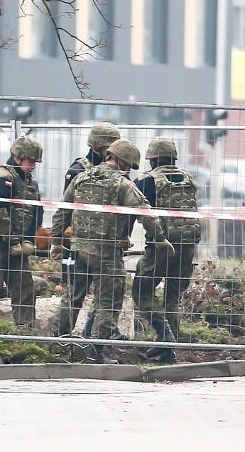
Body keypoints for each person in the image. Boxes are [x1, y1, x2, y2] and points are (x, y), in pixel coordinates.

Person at [50, 138, 174, 364]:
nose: (129, 171)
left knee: (72, 298)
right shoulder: (122, 185)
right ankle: (94, 353)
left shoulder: (81, 177)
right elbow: (144, 212)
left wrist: (56, 242)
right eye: (129, 166)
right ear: (122, 162)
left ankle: (58, 348)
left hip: (78, 249)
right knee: (109, 301)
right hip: (106, 253)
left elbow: (62, 211)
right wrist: (160, 239)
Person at [132, 137, 202, 363]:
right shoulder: (189, 179)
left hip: (162, 246)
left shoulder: (147, 181)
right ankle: (168, 349)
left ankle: (165, 337)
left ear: (151, 159)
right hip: (188, 245)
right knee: (172, 297)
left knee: (141, 290)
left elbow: (137, 212)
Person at [0, 135, 44, 326]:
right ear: (17, 157)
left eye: (35, 162)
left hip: (17, 243)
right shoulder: (0, 177)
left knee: (25, 286)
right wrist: (14, 242)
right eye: (30, 161)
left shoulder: (31, 184)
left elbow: (37, 212)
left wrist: (29, 240)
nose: (33, 166)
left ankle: (25, 332)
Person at [59, 122, 122, 335]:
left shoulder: (117, 171)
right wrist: (58, 242)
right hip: (80, 242)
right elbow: (65, 208)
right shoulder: (78, 170)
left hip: (107, 244)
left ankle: (91, 336)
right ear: (98, 146)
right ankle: (62, 339)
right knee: (75, 294)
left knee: (104, 296)